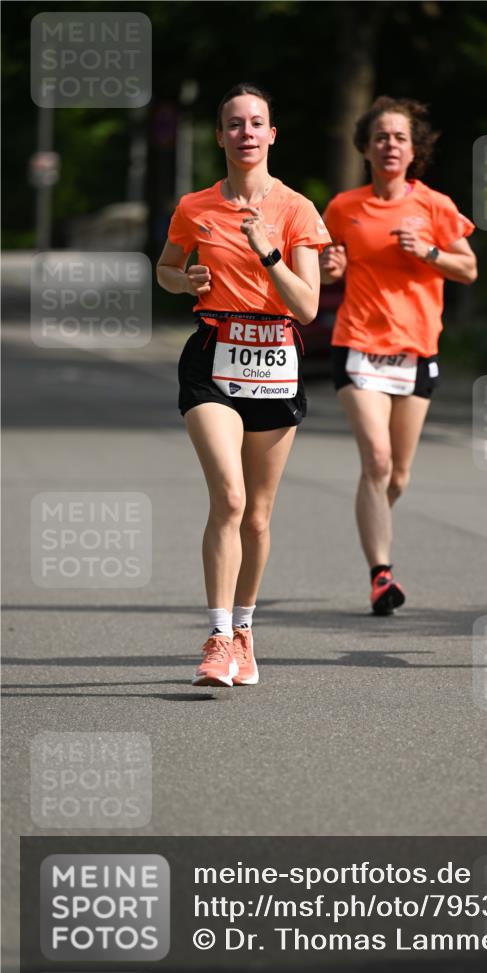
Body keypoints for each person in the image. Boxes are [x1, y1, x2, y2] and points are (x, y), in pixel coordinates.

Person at [156, 83, 330, 686]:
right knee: (228, 498)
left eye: (257, 123)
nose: (246, 133)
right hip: (212, 357)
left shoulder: (298, 210)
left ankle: (246, 630)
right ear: (220, 135)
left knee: (257, 515)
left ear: (272, 134)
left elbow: (308, 307)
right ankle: (218, 635)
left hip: (277, 362)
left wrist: (270, 255)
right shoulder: (195, 206)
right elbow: (166, 268)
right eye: (235, 124)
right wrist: (184, 282)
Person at [320, 97, 477, 615]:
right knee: (378, 461)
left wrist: (428, 251)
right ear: (366, 148)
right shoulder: (344, 207)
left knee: (398, 476)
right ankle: (381, 574)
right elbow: (321, 269)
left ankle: (372, 523)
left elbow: (469, 269)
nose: (391, 145)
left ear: (415, 151)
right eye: (381, 137)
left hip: (416, 349)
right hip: (359, 343)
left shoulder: (434, 206)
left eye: (400, 138)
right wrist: (329, 268)